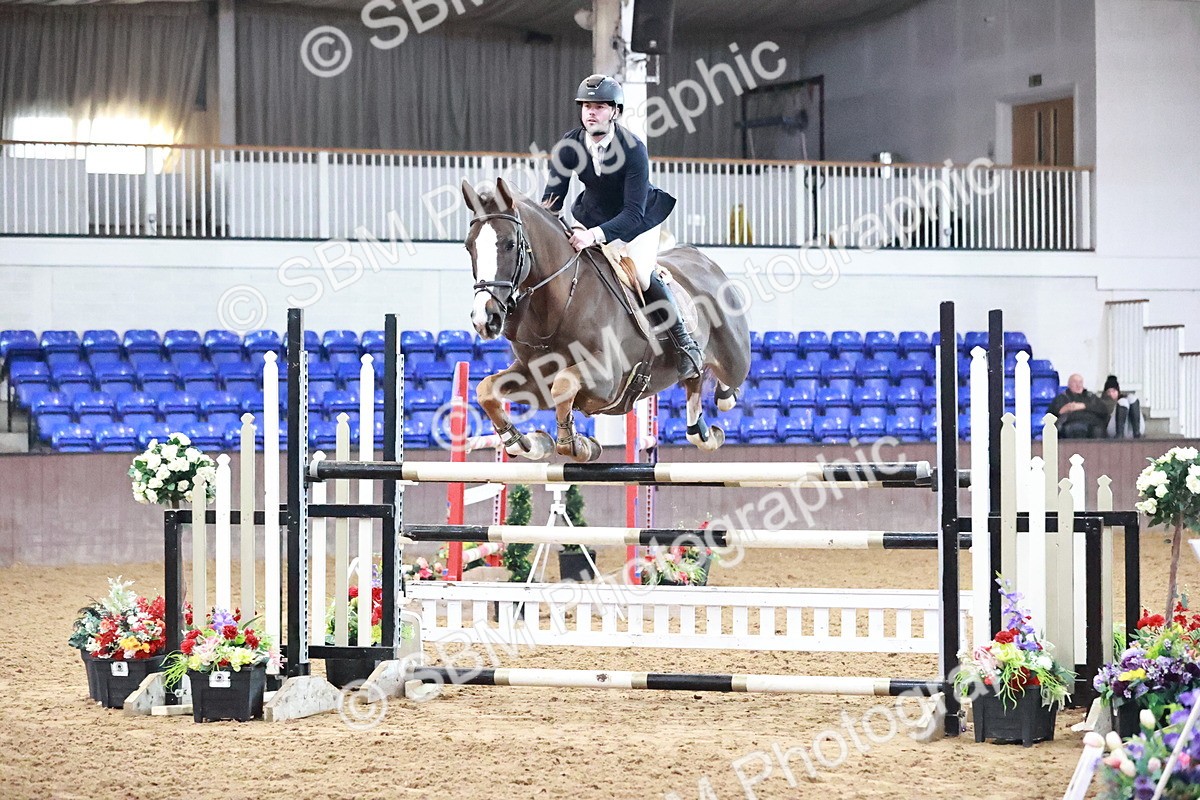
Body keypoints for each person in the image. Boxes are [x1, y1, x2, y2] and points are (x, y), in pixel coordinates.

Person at [539, 74, 703, 381]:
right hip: (591, 215)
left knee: (640, 276)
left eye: (600, 106)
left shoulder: (633, 149)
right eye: (586, 106)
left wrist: (593, 236)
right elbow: (552, 199)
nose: (591, 112)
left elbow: (631, 213)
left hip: (637, 222)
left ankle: (684, 344)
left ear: (615, 111)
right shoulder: (569, 144)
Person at [1048, 373, 1111, 439]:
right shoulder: (1062, 397)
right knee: (1075, 428)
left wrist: (1084, 406)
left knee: (1098, 429)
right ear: (1069, 384)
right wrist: (1063, 410)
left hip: (1093, 424)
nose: (1078, 385)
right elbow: (1050, 414)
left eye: (1080, 382)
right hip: (1072, 424)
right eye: (1075, 382)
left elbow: (1104, 410)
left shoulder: (1091, 397)